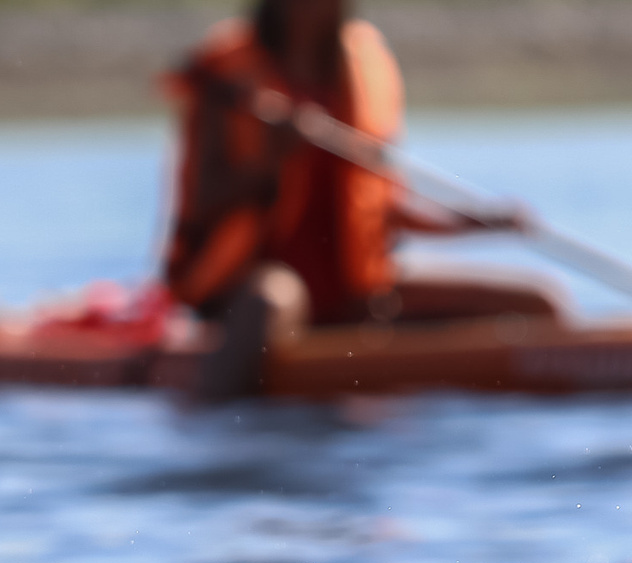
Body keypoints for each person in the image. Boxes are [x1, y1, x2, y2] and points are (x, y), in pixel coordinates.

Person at [162, 0, 568, 398]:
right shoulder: (229, 76)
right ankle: (215, 415)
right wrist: (273, 161)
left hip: (357, 290)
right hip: (251, 283)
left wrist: (477, 222)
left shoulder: (362, 63)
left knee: (539, 302)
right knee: (272, 299)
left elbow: (381, 206)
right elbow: (205, 201)